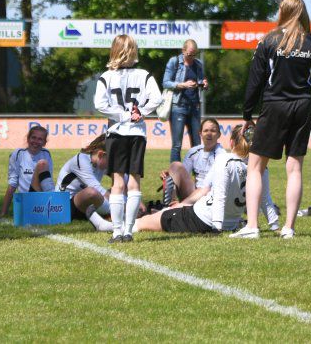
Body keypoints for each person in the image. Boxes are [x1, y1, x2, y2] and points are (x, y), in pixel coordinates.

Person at [234, 0, 311, 239]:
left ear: (282, 12)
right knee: (294, 168)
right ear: (303, 13)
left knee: (255, 166)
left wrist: (247, 114)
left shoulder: (268, 40)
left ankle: (252, 226)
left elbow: (255, 80)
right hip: (302, 106)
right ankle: (289, 228)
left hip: (275, 105)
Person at [94, 34, 162, 243]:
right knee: (134, 182)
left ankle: (117, 231)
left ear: (114, 51)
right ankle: (129, 231)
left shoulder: (107, 76)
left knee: (117, 183)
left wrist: (121, 115)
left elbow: (99, 104)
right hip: (137, 133)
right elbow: (157, 98)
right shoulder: (144, 75)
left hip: (116, 132)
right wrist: (140, 112)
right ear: (133, 51)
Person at [133, 123, 253, 235]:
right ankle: (166, 209)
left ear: (230, 142)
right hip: (223, 216)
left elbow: (212, 192)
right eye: (206, 131)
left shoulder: (224, 158)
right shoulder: (255, 167)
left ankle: (163, 211)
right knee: (175, 168)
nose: (209, 134)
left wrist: (216, 227)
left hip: (203, 215)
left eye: (213, 130)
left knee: (142, 222)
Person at [163, 39, 208, 163]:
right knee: (177, 145)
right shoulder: (174, 62)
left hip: (195, 107)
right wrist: (183, 85)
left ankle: (198, 171)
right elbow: (165, 82)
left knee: (197, 144)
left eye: (194, 54)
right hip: (178, 106)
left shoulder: (198, 64)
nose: (192, 57)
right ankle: (175, 172)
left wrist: (204, 84)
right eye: (189, 54)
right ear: (183, 51)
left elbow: (200, 81)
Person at [58, 135, 114, 231]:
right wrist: (122, 205)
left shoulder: (99, 162)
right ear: (100, 154)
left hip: (85, 205)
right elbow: (96, 188)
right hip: (65, 204)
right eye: (111, 160)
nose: (113, 163)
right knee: (91, 192)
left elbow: (122, 179)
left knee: (119, 188)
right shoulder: (81, 160)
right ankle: (117, 213)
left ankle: (111, 213)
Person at [0, 125, 55, 217]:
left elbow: (48, 181)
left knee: (43, 165)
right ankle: (53, 204)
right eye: (33, 137)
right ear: (28, 138)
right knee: (42, 164)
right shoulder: (18, 154)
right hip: (26, 200)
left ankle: (52, 206)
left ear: (44, 142)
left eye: (40, 139)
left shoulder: (46, 154)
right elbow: (12, 184)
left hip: (42, 198)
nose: (36, 141)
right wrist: (3, 212)